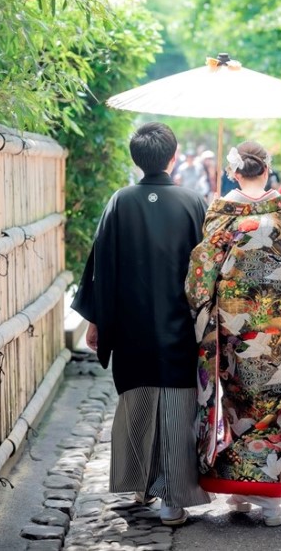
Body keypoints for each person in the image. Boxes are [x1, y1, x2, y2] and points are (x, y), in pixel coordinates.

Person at [185, 141, 281, 527]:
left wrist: (198, 307)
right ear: (267, 170)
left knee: (238, 402)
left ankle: (239, 490)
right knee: (276, 404)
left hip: (234, 328)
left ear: (233, 172)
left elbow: (202, 270)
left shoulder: (222, 212)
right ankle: (270, 502)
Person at [72, 122, 211, 526]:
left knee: (138, 402)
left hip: (132, 326)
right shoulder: (193, 202)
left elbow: (100, 267)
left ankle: (142, 484)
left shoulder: (120, 201)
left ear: (137, 158)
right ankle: (172, 497)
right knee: (177, 409)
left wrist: (98, 320)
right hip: (180, 327)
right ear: (174, 153)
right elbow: (206, 272)